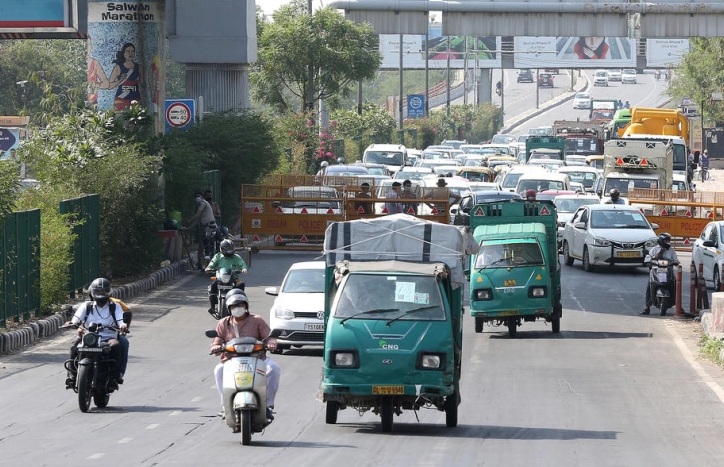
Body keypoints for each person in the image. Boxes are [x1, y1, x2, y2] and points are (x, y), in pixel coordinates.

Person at [210, 291, 280, 421]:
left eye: (240, 305)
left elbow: (269, 337)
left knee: (274, 368)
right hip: (231, 361)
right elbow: (217, 340)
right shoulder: (223, 323)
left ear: (246, 306)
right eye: (234, 306)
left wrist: (271, 343)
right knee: (218, 370)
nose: (237, 309)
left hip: (257, 359)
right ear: (229, 308)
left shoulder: (257, 320)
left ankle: (268, 405)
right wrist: (215, 347)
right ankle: (226, 405)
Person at [65, 278, 128, 390]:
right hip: (89, 338)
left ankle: (114, 377)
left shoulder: (115, 306)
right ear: (93, 292)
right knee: (74, 346)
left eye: (104, 292)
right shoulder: (87, 306)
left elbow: (120, 319)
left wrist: (123, 325)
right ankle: (72, 376)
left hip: (108, 338)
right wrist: (72, 323)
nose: (101, 295)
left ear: (108, 292)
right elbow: (77, 318)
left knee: (116, 346)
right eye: (98, 292)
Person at [204, 239, 248, 317]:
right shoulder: (218, 256)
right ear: (222, 249)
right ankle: (213, 307)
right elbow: (212, 263)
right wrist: (209, 268)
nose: (229, 251)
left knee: (241, 285)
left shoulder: (236, 257)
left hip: (233, 277)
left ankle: (240, 305)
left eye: (231, 248)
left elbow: (242, 264)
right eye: (227, 249)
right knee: (213, 285)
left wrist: (244, 269)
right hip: (220, 277)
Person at [641, 233, 679, 315]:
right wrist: (651, 260)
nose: (668, 242)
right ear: (661, 241)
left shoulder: (671, 250)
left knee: (674, 284)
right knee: (649, 286)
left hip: (668, 270)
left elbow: (676, 259)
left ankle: (676, 304)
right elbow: (647, 259)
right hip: (656, 269)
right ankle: (647, 307)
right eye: (666, 241)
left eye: (668, 241)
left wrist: (675, 262)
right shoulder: (654, 249)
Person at [184, 192, 216, 269]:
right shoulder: (201, 206)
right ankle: (201, 263)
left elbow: (197, 215)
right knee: (201, 245)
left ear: (201, 197)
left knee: (207, 244)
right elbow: (198, 220)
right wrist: (189, 228)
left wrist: (189, 221)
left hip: (209, 226)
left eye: (198, 196)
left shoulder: (203, 203)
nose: (197, 198)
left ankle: (210, 263)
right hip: (204, 226)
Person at [107, 42, 143, 110]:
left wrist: (139, 79)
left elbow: (143, 85)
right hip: (121, 100)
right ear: (123, 53)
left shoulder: (139, 67)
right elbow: (109, 86)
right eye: (127, 51)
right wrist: (120, 80)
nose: (130, 54)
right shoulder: (118, 67)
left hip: (135, 101)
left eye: (132, 51)